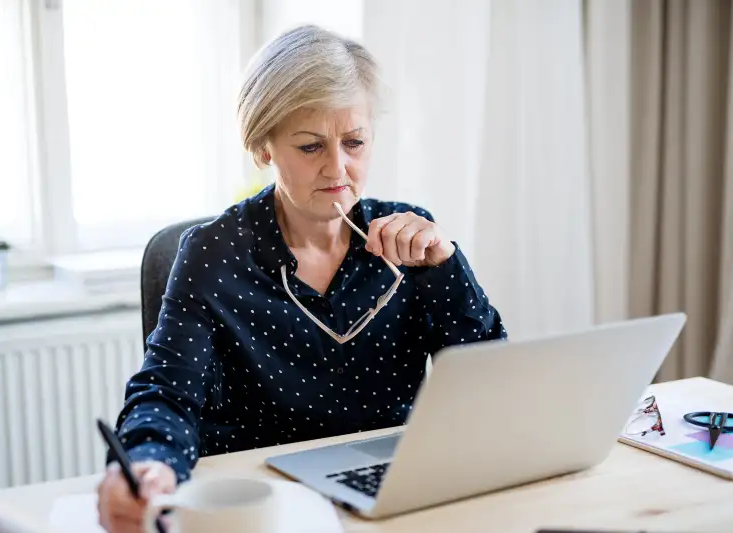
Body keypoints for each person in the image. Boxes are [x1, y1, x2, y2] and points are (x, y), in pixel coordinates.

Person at [97, 24, 507, 532]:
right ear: (264, 147)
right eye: (311, 147)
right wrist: (148, 462)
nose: (339, 169)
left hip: (394, 496)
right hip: (261, 505)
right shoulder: (213, 253)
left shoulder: (410, 240)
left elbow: (492, 383)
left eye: (354, 142)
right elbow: (165, 392)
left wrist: (447, 267)